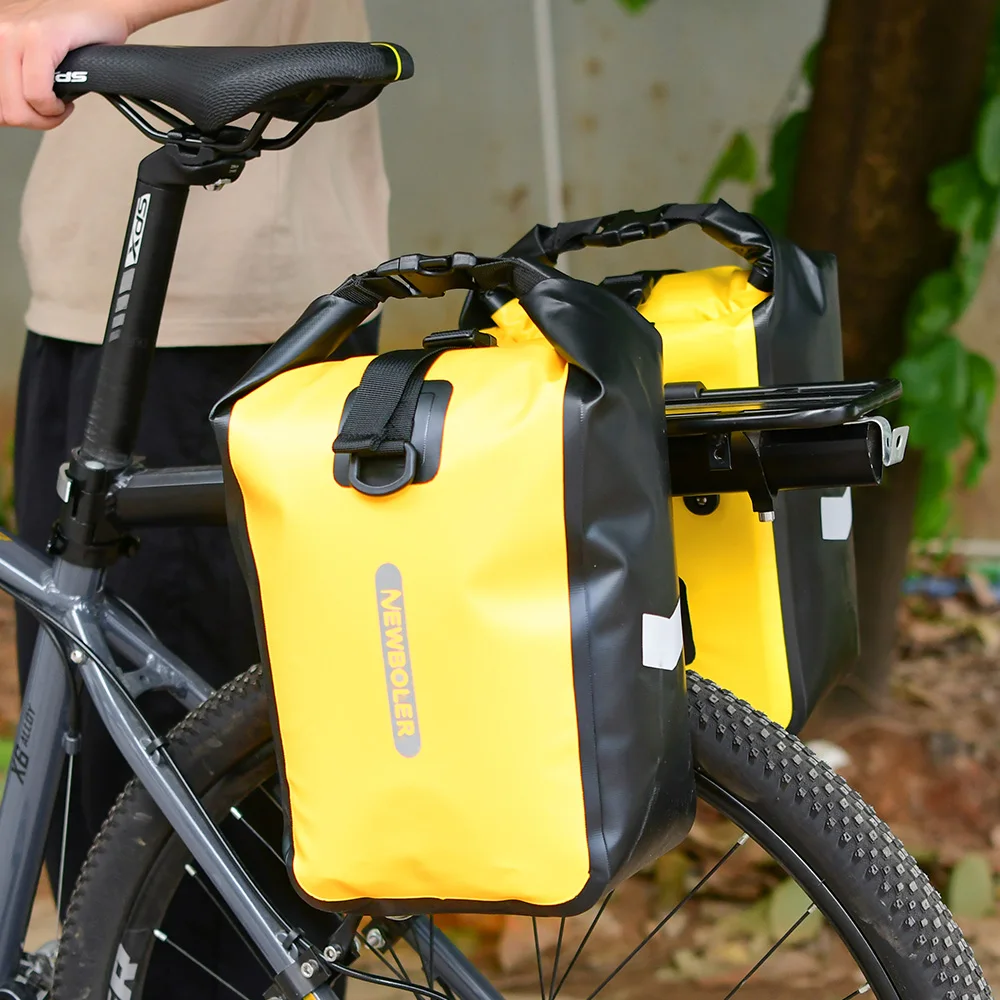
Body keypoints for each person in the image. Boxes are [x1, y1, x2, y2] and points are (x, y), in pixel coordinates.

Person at [0, 0, 389, 994]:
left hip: (222, 309)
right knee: (99, 791)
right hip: (90, 288)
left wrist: (96, 13)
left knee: (186, 825)